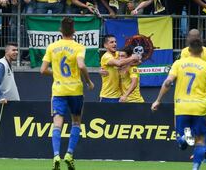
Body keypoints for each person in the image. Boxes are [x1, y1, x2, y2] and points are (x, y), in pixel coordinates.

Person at [151, 38, 206, 170]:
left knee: (181, 137)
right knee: (200, 140)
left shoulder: (178, 64)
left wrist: (158, 100)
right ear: (202, 51)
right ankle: (195, 168)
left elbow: (167, 82)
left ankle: (183, 137)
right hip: (199, 107)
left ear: (188, 49)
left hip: (182, 106)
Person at [40, 17, 94, 170]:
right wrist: (89, 81)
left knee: (57, 124)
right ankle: (69, 154)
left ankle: (56, 155)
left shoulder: (52, 46)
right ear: (74, 31)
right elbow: (81, 65)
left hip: (58, 90)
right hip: (75, 90)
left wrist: (56, 74)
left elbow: (42, 70)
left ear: (60, 31)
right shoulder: (78, 47)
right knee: (76, 122)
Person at [100, 35, 140, 103]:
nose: (115, 44)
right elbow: (119, 63)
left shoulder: (118, 54)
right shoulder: (106, 56)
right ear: (105, 45)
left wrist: (129, 62)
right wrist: (132, 58)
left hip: (119, 96)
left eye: (115, 42)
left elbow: (139, 61)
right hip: (108, 96)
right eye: (111, 42)